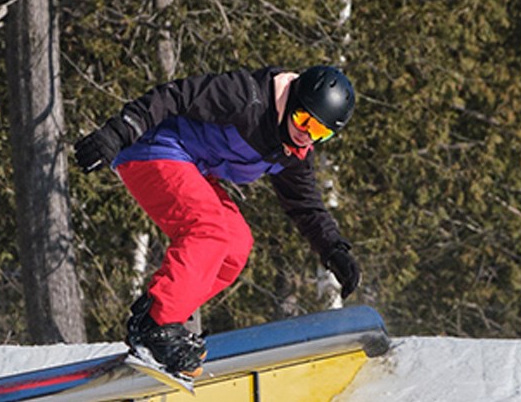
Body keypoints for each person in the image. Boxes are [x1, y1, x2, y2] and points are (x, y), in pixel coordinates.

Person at [74, 65, 362, 377]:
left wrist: (334, 249)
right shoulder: (247, 97)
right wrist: (117, 132)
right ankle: (159, 328)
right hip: (152, 149)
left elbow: (306, 206)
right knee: (208, 231)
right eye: (304, 120)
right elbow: (176, 96)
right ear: (291, 99)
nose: (306, 134)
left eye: (320, 132)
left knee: (236, 246)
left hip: (189, 166)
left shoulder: (291, 153)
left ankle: (153, 321)